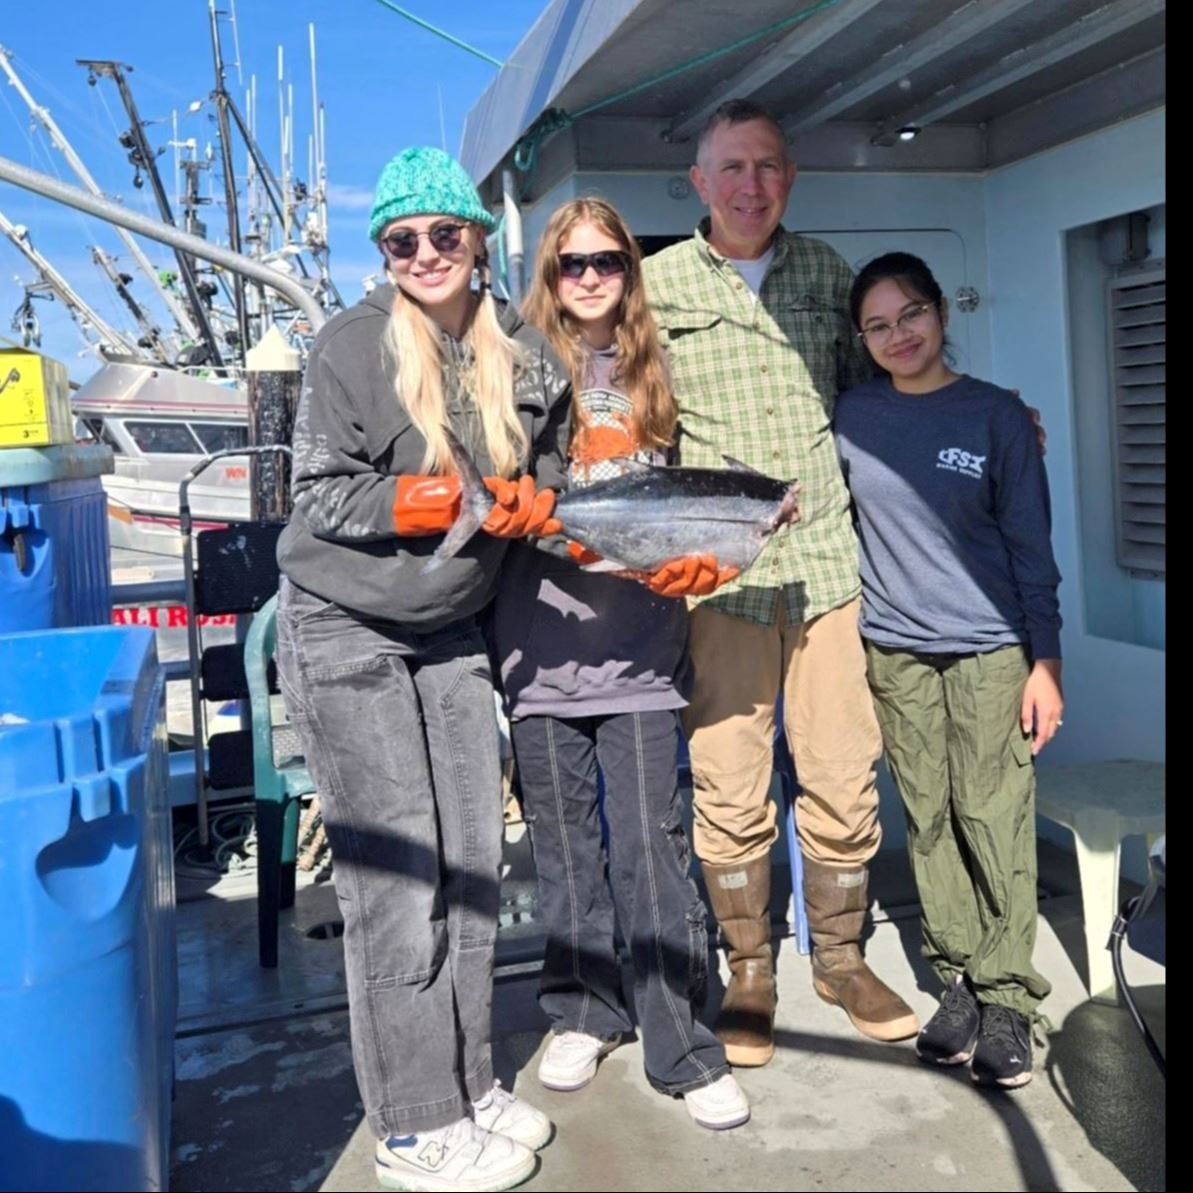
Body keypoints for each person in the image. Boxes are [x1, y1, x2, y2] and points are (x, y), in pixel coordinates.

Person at [274, 146, 572, 1192]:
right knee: (397, 887)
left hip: (451, 629)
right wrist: (422, 500)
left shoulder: (526, 354)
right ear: (387, 254)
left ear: (477, 240)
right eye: (401, 240)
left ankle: (463, 1079)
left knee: (474, 871)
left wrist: (548, 507)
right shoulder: (349, 346)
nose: (425, 253)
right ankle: (411, 1123)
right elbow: (316, 493)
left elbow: (559, 471)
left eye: (443, 233)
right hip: (344, 628)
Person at [641, 99, 919, 1067]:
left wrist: (979, 416)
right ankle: (750, 965)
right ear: (698, 182)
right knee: (726, 779)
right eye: (730, 168)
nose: (749, 185)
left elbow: (876, 398)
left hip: (827, 568)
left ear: (788, 178)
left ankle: (841, 958)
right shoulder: (655, 284)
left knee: (844, 771)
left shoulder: (827, 274)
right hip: (720, 578)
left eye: (766, 167)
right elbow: (632, 425)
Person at [490, 197, 749, 1130]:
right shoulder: (509, 363)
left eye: (607, 260)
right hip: (538, 655)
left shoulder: (659, 367)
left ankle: (678, 1037)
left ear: (629, 270)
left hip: (642, 654)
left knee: (652, 848)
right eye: (571, 263)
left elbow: (699, 494)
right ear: (548, 276)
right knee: (563, 853)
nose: (590, 277)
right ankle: (581, 1007)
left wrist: (714, 554)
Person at [836, 251, 1062, 1089]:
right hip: (894, 647)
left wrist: (1046, 659)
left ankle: (1009, 996)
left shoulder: (997, 415)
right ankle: (959, 980)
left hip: (990, 645)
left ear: (940, 313)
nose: (899, 335)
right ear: (861, 339)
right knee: (928, 817)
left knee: (991, 815)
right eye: (879, 325)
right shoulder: (851, 415)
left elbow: (1031, 547)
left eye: (911, 314)